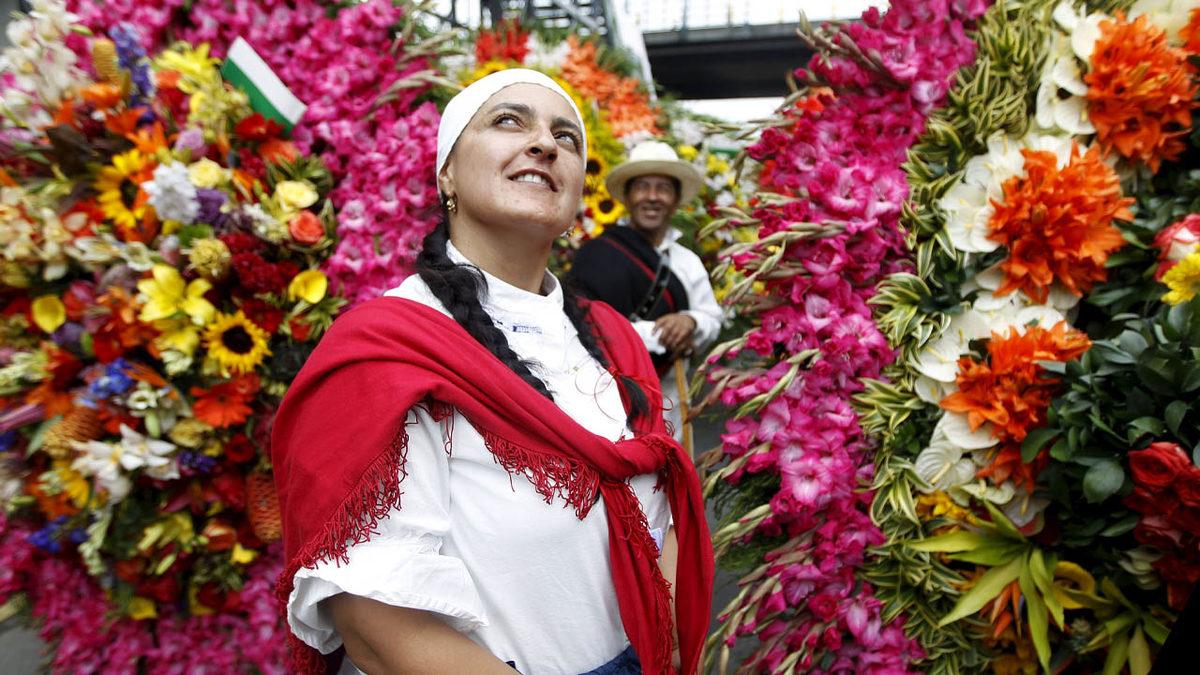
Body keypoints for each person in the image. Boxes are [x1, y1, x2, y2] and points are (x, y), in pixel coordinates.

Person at [271, 69, 714, 675]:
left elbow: (661, 520)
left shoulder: (613, 340)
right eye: (509, 121)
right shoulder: (383, 353)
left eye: (566, 137)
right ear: (445, 172)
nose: (545, 144)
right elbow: (376, 621)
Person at [568, 141, 723, 443]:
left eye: (663, 188)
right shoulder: (595, 254)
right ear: (626, 196)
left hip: (668, 406)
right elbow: (580, 321)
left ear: (676, 199)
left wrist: (691, 322)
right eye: (642, 187)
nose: (652, 197)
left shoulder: (687, 262)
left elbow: (712, 318)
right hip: (602, 403)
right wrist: (659, 333)